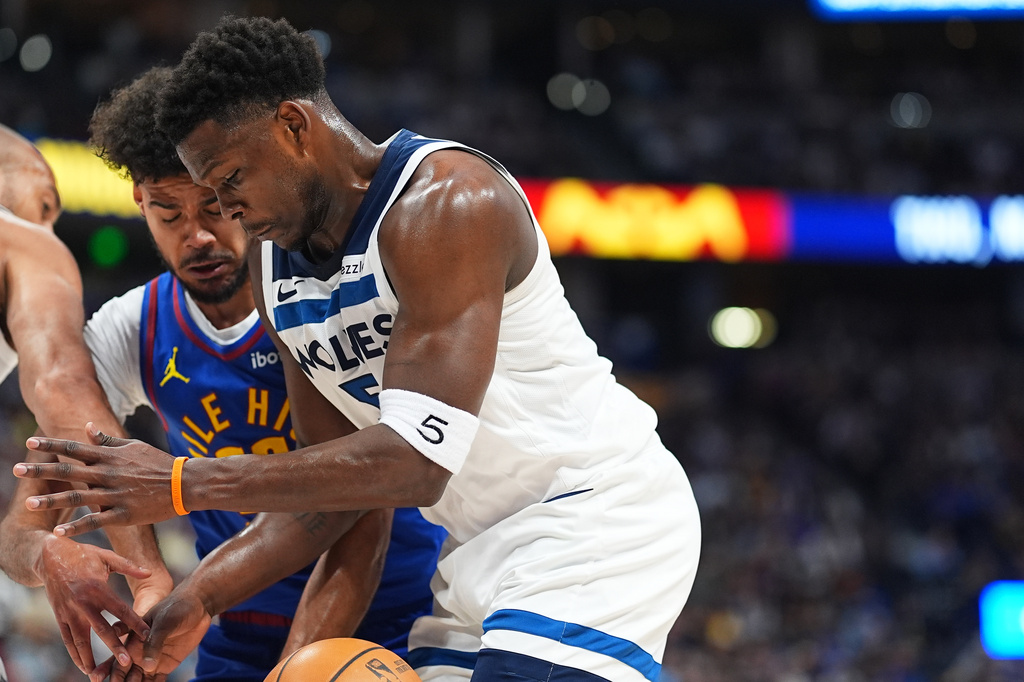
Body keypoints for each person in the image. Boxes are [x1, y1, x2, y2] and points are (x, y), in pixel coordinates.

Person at [16, 15, 702, 682]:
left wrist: (178, 484)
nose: (227, 213)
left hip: (590, 518)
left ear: (292, 127)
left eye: (229, 185)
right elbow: (336, 495)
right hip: (470, 555)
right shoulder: (276, 268)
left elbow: (414, 462)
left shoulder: (446, 202)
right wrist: (200, 596)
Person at [77, 66, 444, 681]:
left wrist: (298, 666)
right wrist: (65, 555)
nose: (198, 236)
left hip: (384, 611)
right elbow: (56, 481)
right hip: (233, 624)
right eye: (169, 214)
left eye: (215, 208)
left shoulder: (319, 296)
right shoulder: (131, 327)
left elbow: (362, 504)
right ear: (140, 203)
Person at [0, 124, 171, 677]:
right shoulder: (23, 239)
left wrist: (40, 551)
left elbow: (18, 539)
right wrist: (147, 575)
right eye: (46, 202)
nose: (48, 223)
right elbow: (58, 387)